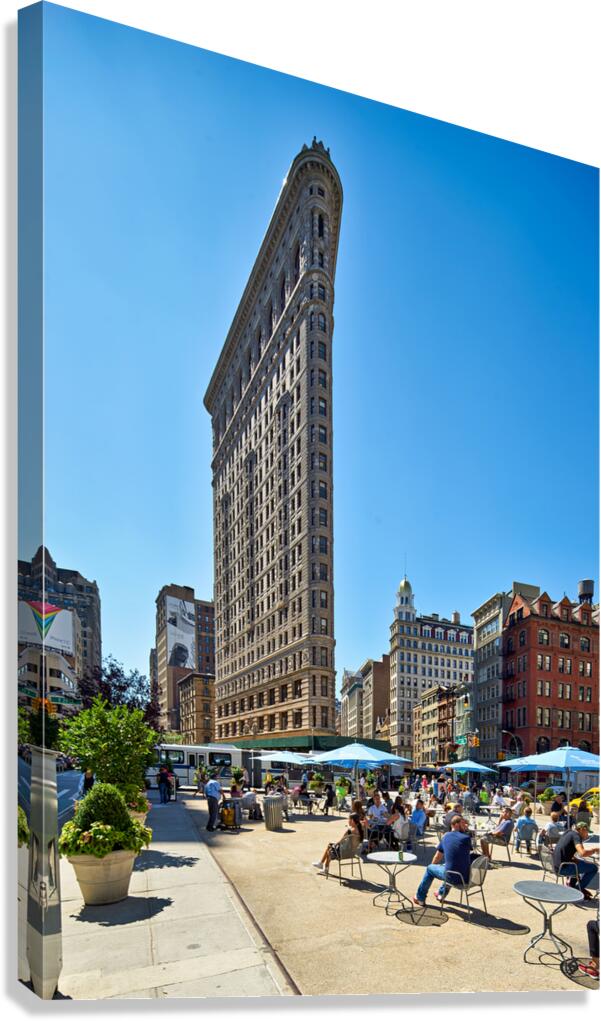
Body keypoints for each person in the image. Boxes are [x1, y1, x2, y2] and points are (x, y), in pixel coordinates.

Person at [413, 815, 476, 906]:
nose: (466, 826)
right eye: (464, 824)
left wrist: (432, 867)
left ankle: (420, 898)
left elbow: (437, 857)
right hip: (465, 877)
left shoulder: (446, 837)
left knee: (430, 868)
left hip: (453, 877)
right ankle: (441, 894)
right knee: (448, 866)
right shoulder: (466, 838)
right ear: (456, 824)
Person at [553, 822, 598, 899]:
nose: (587, 835)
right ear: (581, 830)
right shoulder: (576, 836)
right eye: (587, 832)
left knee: (582, 863)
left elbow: (564, 849)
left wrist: (573, 859)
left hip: (556, 865)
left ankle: (573, 886)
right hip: (563, 868)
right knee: (594, 868)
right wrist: (594, 850)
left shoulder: (568, 832)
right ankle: (578, 890)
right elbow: (582, 853)